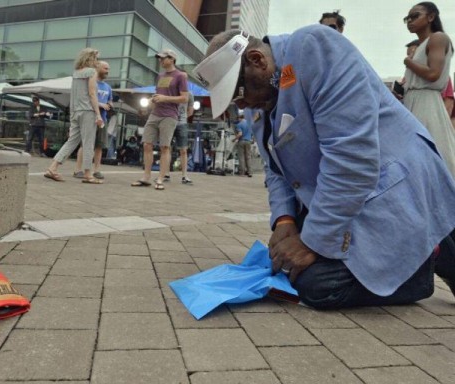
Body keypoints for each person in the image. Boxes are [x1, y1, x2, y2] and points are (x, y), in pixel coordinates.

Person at [192, 27, 455, 309]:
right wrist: (285, 220)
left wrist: (311, 243)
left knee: (317, 285)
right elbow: (274, 169)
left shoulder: (315, 50)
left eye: (238, 93)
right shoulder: (260, 98)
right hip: (347, 191)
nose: (241, 104)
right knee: (287, 266)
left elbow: (352, 158)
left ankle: (421, 266)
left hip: (394, 182)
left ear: (258, 60)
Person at [403, 1, 455, 176]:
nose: (410, 21)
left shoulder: (438, 38)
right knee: (416, 153)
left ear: (431, 17)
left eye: (415, 15)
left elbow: (433, 74)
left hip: (426, 102)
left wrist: (408, 62)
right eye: (407, 18)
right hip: (415, 100)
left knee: (431, 152)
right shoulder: (422, 44)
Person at [130, 49, 188, 190]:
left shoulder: (181, 76)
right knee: (146, 144)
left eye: (163, 58)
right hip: (155, 113)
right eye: (159, 58)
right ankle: (146, 177)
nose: (160, 61)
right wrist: (151, 101)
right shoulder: (160, 75)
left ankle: (161, 178)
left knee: (164, 147)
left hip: (170, 115)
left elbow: (184, 98)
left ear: (172, 59)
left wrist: (165, 98)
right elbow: (159, 94)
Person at [44, 48, 104, 184]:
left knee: (72, 141)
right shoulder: (91, 72)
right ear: (91, 58)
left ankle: (52, 168)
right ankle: (88, 174)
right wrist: (98, 114)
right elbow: (92, 93)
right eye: (96, 58)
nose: (97, 61)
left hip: (75, 111)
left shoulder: (76, 73)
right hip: (87, 111)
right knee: (88, 143)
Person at [73, 61, 113, 180]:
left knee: (99, 145)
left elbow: (110, 100)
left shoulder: (108, 87)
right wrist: (100, 104)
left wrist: (109, 104)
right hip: (89, 118)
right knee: (85, 144)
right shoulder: (91, 82)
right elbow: (87, 98)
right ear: (98, 67)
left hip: (103, 119)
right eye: (105, 68)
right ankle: (78, 169)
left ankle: (97, 170)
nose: (107, 71)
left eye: (108, 69)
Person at [163, 87, 194, 184]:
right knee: (166, 148)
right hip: (169, 122)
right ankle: (166, 174)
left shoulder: (189, 94)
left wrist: (182, 117)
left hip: (182, 124)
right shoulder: (170, 92)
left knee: (183, 150)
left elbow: (190, 111)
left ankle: (184, 176)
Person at [232, 110, 254, 177]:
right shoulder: (250, 124)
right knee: (248, 157)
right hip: (248, 141)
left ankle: (242, 172)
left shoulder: (239, 124)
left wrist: (234, 139)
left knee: (241, 157)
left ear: (239, 118)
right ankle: (250, 172)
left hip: (241, 141)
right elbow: (253, 134)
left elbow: (240, 134)